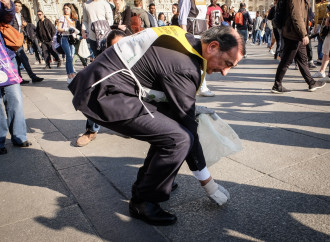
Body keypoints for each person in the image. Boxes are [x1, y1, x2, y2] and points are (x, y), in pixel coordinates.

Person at [69, 25, 244, 226]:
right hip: (104, 95)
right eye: (227, 63)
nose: (225, 72)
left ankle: (150, 183)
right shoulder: (184, 65)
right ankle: (143, 201)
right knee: (179, 138)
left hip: (106, 84)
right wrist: (209, 184)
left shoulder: (185, 41)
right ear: (213, 46)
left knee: (169, 128)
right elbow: (187, 127)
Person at [271, 0, 326, 94]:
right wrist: (303, 34)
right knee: (286, 60)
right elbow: (296, 16)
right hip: (293, 34)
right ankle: (277, 85)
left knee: (303, 60)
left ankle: (311, 82)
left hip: (295, 34)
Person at [0, 0, 31, 155]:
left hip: (5, 55)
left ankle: (19, 136)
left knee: (15, 97)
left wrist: (7, 6)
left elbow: (8, 18)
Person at [178, 0, 215, 97]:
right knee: (193, 61)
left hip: (201, 33)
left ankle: (200, 87)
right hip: (191, 34)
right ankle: (198, 87)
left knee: (201, 60)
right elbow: (182, 18)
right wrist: (185, 36)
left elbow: (203, 18)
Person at [12, 0, 43, 84]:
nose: (17, 7)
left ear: (21, 7)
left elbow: (22, 28)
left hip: (19, 40)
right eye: (15, 5)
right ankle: (32, 77)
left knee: (18, 60)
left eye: (19, 6)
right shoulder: (11, 16)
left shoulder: (20, 16)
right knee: (24, 59)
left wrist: (24, 27)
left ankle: (19, 78)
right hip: (13, 40)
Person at [57, 3, 79, 83]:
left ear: (71, 9)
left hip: (70, 38)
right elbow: (59, 28)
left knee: (70, 57)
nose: (66, 10)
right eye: (64, 8)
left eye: (67, 8)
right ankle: (70, 75)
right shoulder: (63, 17)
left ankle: (71, 75)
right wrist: (66, 29)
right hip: (64, 38)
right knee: (69, 57)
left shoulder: (72, 19)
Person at [312, 4, 330, 80]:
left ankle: (324, 72)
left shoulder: (318, 5)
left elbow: (316, 17)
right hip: (328, 34)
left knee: (326, 51)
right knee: (326, 51)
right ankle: (322, 71)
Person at [313, 0, 328, 65]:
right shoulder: (328, 4)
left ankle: (320, 58)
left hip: (320, 25)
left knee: (320, 43)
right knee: (327, 42)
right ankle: (326, 58)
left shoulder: (318, 5)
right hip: (327, 24)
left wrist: (315, 27)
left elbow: (316, 17)